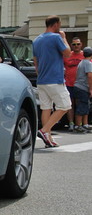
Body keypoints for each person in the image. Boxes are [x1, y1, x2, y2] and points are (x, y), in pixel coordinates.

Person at [33, 15, 72, 147]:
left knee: (46, 108)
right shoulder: (56, 37)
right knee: (65, 105)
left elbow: (35, 62)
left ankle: (48, 138)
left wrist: (40, 74)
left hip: (42, 79)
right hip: (55, 79)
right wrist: (64, 38)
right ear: (55, 24)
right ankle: (44, 131)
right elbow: (68, 53)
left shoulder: (37, 40)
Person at [63, 37, 85, 131]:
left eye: (78, 44)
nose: (76, 46)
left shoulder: (85, 55)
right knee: (70, 104)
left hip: (81, 84)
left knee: (79, 104)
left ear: (81, 45)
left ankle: (79, 124)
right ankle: (71, 123)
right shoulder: (68, 55)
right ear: (71, 45)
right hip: (69, 83)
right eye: (74, 44)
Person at [71, 47, 92, 133]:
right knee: (81, 106)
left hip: (78, 87)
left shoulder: (81, 62)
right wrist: (91, 89)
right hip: (83, 88)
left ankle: (85, 124)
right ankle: (78, 125)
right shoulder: (88, 63)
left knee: (85, 106)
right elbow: (90, 76)